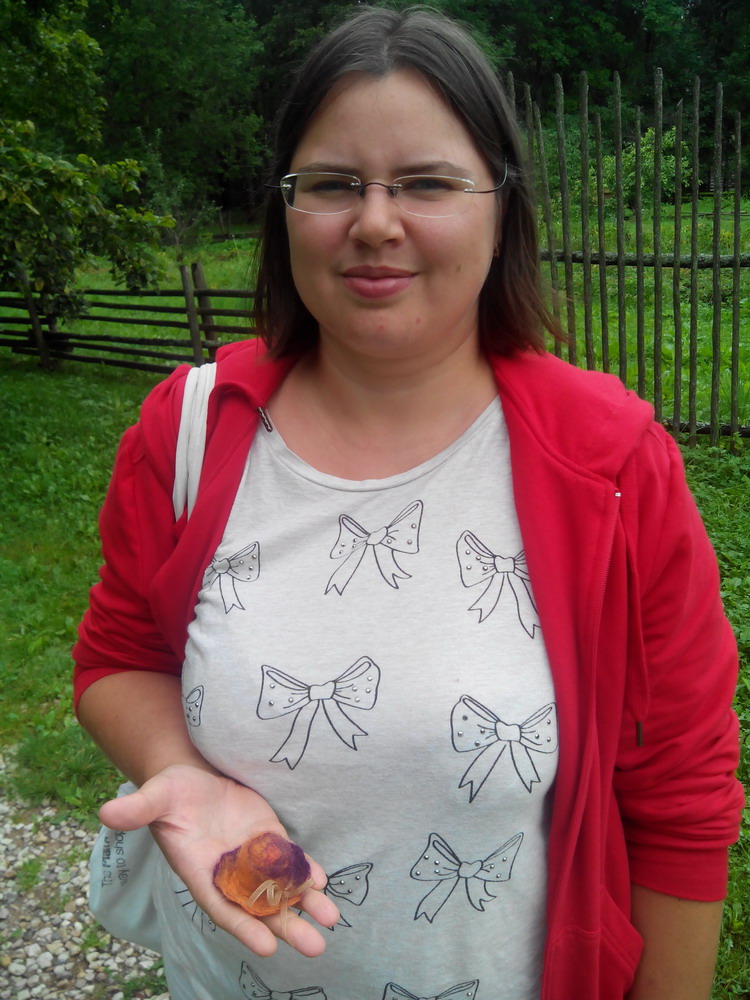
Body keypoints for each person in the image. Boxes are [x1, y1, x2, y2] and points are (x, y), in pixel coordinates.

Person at [73, 7, 744, 1000]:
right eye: (333, 183)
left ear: (502, 207)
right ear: (285, 210)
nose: (376, 223)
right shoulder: (193, 428)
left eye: (426, 183)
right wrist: (182, 770)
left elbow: (680, 797)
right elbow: (118, 656)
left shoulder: (610, 465)